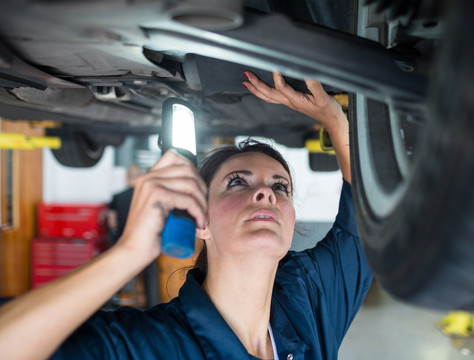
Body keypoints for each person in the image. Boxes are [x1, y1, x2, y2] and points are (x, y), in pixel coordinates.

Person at [0, 72, 373, 360]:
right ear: (200, 220)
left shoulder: (308, 295)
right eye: (237, 182)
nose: (266, 193)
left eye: (281, 187)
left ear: (292, 220)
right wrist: (128, 252)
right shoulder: (148, 345)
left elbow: (366, 219)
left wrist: (335, 120)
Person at [107, 164, 160, 309]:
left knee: (119, 272)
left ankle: (113, 300)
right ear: (142, 178)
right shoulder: (149, 198)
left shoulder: (117, 197)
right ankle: (152, 304)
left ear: (126, 178)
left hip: (123, 244)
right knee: (150, 274)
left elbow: (112, 223)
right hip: (146, 243)